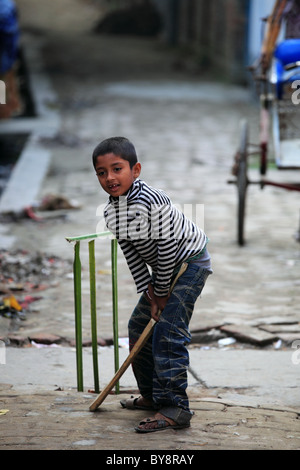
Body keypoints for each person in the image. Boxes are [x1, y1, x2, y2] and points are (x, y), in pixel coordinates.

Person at [92, 136, 212, 433]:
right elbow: (132, 254)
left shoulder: (152, 200)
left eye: (117, 169)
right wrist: (149, 291)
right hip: (162, 272)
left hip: (189, 264)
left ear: (136, 170)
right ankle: (153, 396)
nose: (110, 178)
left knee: (168, 332)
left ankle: (175, 408)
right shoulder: (111, 213)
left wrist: (161, 293)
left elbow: (168, 246)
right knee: (138, 327)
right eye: (102, 172)